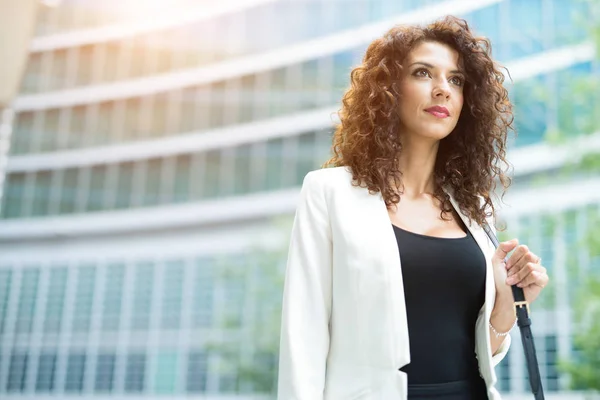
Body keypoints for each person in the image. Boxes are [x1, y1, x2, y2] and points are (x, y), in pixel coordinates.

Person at [277, 15, 550, 400]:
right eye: (423, 73)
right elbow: (302, 341)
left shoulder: (474, 212)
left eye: (455, 80)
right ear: (390, 89)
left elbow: (479, 356)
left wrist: (507, 303)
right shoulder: (329, 193)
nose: (442, 90)